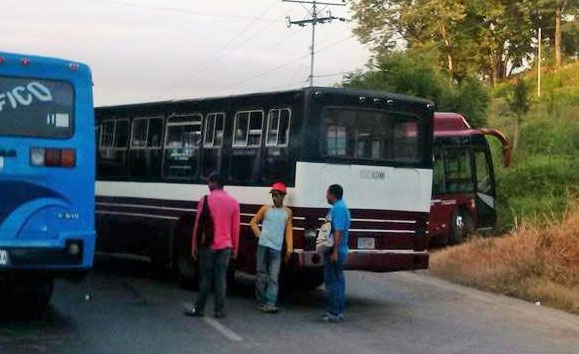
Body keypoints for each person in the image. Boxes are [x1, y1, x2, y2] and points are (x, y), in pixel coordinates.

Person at [184, 172, 240, 319]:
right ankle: (219, 311)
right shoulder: (233, 202)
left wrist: (194, 246)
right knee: (221, 279)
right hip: (226, 246)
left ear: (214, 183)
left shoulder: (205, 200)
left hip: (208, 245)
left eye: (209, 182)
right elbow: (235, 228)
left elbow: (198, 224)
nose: (208, 185)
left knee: (206, 278)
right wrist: (235, 248)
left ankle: (199, 308)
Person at [250, 182, 293, 313]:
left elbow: (288, 231)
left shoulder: (287, 212)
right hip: (263, 246)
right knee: (261, 274)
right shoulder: (265, 209)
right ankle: (261, 301)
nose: (275, 198)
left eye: (278, 195)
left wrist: (290, 249)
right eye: (274, 195)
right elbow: (253, 222)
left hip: (276, 248)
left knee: (274, 277)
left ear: (283, 196)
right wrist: (259, 235)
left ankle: (270, 302)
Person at [322, 184, 350, 323]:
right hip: (342, 250)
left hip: (336, 251)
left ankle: (334, 311)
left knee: (332, 282)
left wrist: (334, 251)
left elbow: (338, 231)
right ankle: (339, 311)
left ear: (333, 194)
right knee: (339, 281)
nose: (326, 196)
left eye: (327, 193)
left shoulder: (338, 209)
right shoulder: (343, 207)